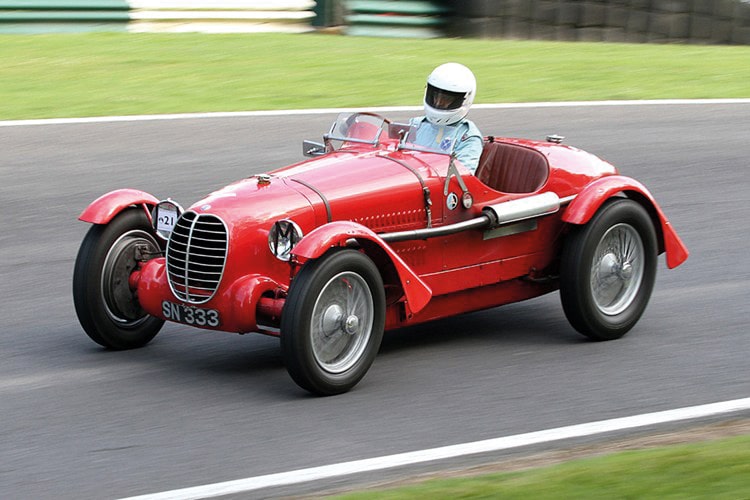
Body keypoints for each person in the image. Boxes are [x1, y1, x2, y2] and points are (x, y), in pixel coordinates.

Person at [409, 62, 484, 174]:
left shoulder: (467, 136)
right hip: (410, 182)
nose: (439, 102)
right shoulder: (416, 124)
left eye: (446, 99)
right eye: (435, 96)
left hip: (439, 189)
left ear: (464, 100)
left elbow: (462, 177)